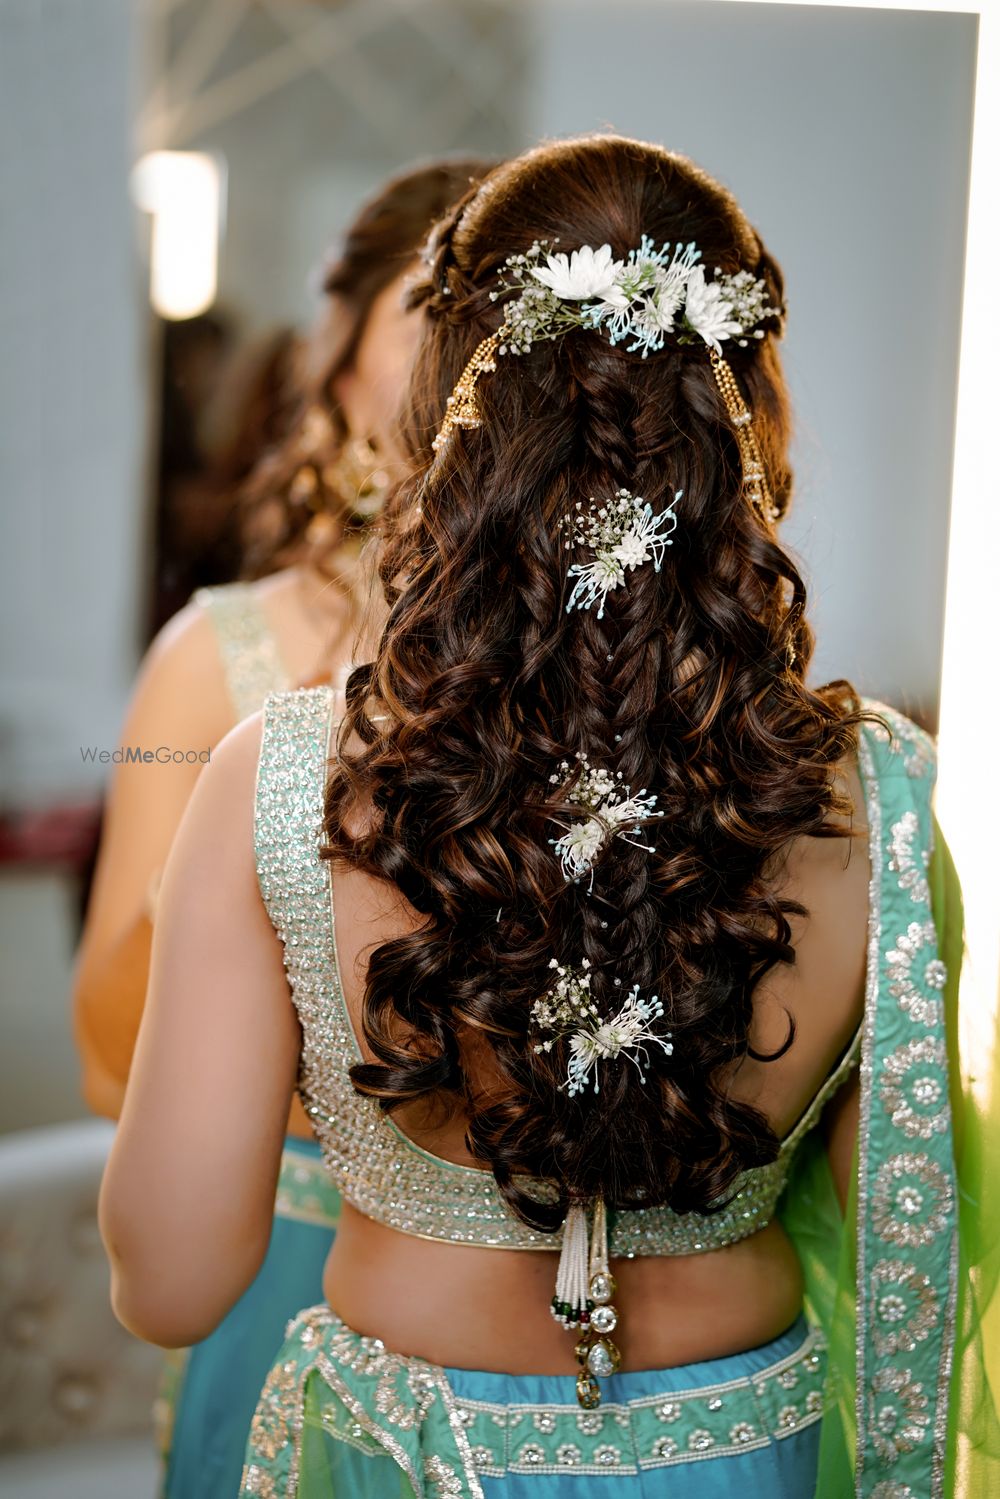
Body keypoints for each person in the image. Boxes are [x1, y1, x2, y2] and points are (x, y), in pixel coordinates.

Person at [99, 136, 995, 1497]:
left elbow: (169, 1284)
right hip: (741, 1456)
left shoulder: (283, 780)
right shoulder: (873, 797)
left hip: (406, 1460)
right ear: (753, 415)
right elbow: (910, 1240)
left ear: (438, 421)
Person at [76, 156, 493, 1499]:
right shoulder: (221, 661)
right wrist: (269, 819)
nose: (469, 364)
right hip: (285, 1252)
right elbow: (102, 1050)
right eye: (436, 311)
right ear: (340, 361)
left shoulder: (641, 676)